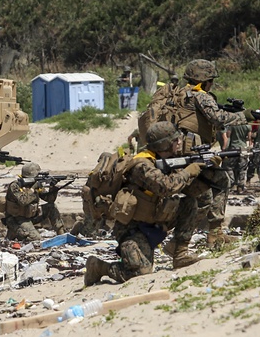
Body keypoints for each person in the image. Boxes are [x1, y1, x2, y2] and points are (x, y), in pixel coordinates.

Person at [84, 122, 207, 286]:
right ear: (164, 144)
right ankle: (99, 267)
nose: (180, 142)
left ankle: (180, 254)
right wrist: (189, 171)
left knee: (188, 203)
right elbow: (166, 187)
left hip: (155, 219)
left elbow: (185, 187)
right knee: (139, 272)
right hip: (133, 229)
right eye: (175, 140)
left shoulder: (164, 160)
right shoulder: (142, 165)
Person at [169, 59, 249, 250]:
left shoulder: (181, 93)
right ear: (204, 81)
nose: (212, 84)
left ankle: (215, 234)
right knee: (203, 196)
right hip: (190, 153)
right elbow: (217, 117)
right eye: (211, 81)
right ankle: (178, 243)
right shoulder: (200, 95)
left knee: (221, 180)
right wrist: (245, 116)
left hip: (184, 150)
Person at [0, 162, 63, 242]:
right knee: (35, 238)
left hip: (31, 216)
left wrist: (53, 187)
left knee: (51, 206)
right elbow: (23, 201)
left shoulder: (35, 184)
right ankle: (16, 231)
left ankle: (61, 234)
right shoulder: (15, 186)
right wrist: (33, 189)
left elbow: (49, 199)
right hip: (17, 219)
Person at [222, 121, 252, 194]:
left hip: (233, 148)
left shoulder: (232, 125)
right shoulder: (248, 126)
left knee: (229, 166)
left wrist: (225, 148)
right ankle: (240, 187)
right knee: (242, 168)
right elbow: (249, 138)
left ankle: (232, 183)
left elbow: (228, 136)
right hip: (243, 148)